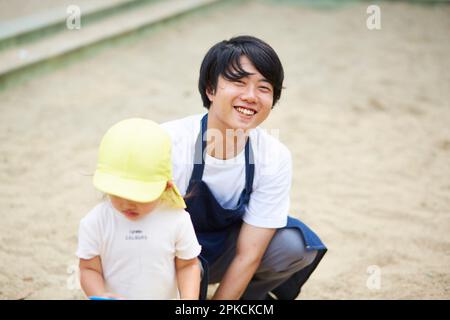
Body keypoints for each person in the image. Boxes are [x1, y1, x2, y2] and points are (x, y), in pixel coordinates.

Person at [161, 35, 327, 300]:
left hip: (224, 252)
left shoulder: (274, 156)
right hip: (168, 254)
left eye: (264, 87)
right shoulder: (170, 142)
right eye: (238, 82)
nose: (250, 96)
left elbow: (249, 254)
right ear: (210, 89)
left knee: (294, 245)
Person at [76, 118, 202, 300]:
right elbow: (88, 269)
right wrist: (101, 295)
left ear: (165, 186)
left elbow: (188, 265)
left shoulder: (177, 219)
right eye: (118, 193)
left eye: (139, 195)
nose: (127, 203)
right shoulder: (95, 222)